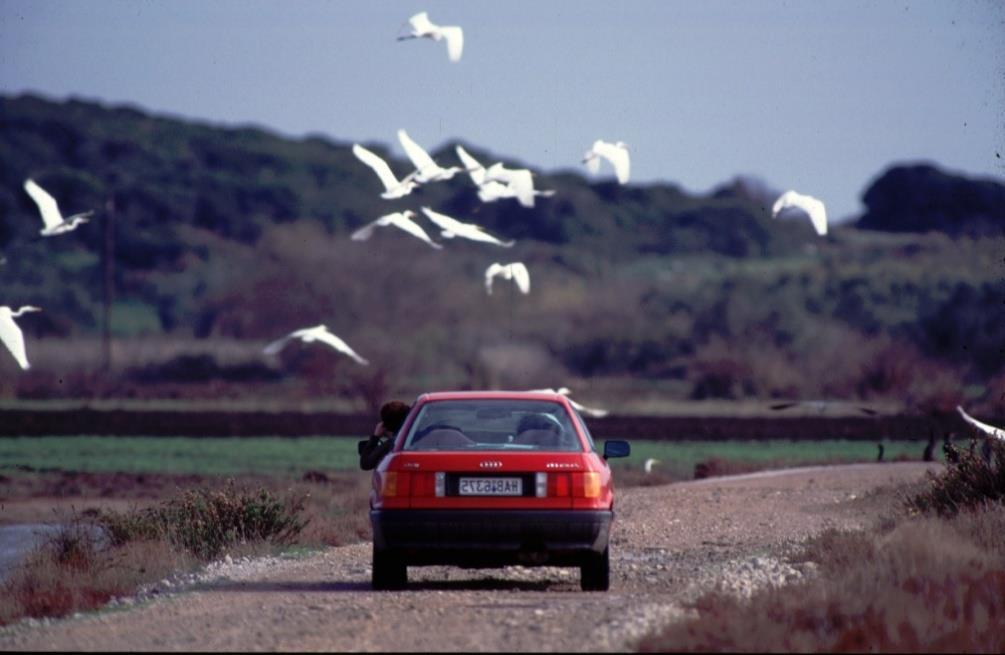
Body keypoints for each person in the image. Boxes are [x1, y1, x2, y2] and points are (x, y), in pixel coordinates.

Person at [359, 400, 411, 470]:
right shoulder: (421, 437)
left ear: (385, 426)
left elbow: (365, 464)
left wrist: (375, 437)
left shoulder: (392, 444)